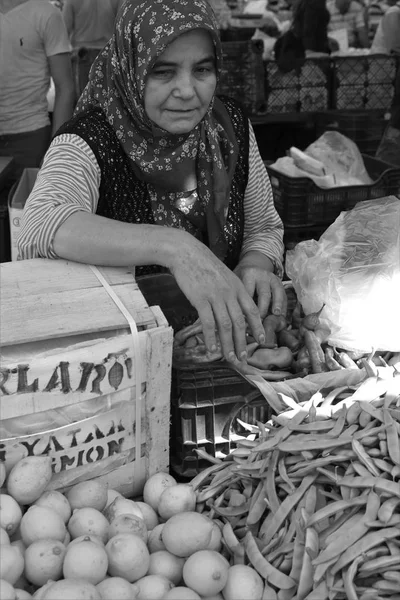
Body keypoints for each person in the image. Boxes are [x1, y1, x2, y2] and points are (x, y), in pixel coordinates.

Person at [18, 0, 286, 365]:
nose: (187, 90)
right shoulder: (91, 139)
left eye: (202, 69)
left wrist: (256, 262)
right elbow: (41, 223)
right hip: (125, 363)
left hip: (226, 357)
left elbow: (264, 225)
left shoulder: (229, 126)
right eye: (163, 72)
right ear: (130, 67)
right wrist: (176, 248)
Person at [0, 0, 75, 183]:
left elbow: (65, 87)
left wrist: (55, 152)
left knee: (25, 208)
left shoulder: (46, 14)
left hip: (30, 137)